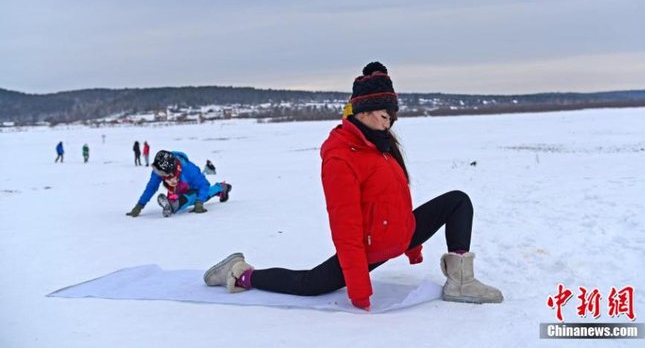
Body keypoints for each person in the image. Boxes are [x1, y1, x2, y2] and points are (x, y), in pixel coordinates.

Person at [203, 62, 503, 311]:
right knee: (311, 284)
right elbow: (345, 225)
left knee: (457, 200)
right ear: (364, 112)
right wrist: (359, 289)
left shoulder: (380, 144)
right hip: (371, 246)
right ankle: (241, 274)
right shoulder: (340, 157)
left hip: (398, 233)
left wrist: (412, 245)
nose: (390, 125)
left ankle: (461, 281)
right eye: (386, 117)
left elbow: (397, 200)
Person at [125, 150, 233, 218]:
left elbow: (204, 185)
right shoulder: (159, 168)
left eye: (162, 173)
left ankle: (221, 187)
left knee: (198, 196)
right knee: (175, 197)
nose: (159, 175)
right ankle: (173, 204)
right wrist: (140, 205)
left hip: (194, 187)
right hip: (177, 188)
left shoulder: (189, 169)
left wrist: (199, 202)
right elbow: (151, 187)